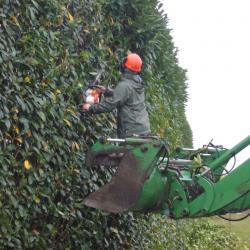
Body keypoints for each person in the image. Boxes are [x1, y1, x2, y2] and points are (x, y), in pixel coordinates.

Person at [83, 53, 151, 138]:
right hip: (143, 129)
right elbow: (127, 96)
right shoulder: (137, 83)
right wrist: (106, 91)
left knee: (127, 151)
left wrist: (90, 108)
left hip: (131, 131)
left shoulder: (124, 85)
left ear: (125, 67)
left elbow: (110, 105)